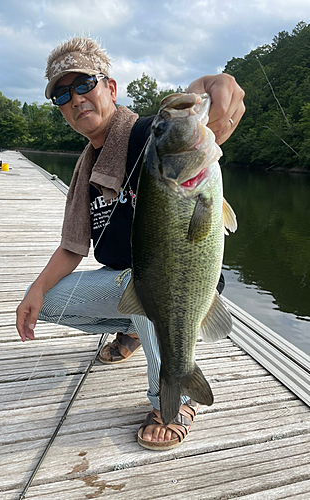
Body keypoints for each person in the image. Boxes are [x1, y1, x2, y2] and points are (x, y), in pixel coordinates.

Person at [16, 36, 245, 450]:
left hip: (178, 284)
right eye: (63, 95)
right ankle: (135, 331)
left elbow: (206, 112)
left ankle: (174, 399)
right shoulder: (86, 167)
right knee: (45, 301)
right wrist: (35, 289)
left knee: (135, 283)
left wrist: (216, 82)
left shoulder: (146, 137)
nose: (76, 99)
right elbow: (73, 246)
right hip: (131, 283)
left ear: (111, 88)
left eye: (84, 85)